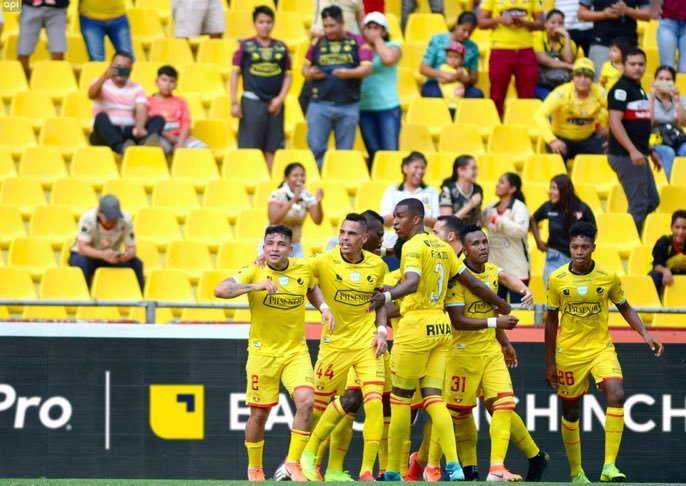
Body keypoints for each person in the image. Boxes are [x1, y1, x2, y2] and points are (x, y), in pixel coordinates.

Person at [367, 198, 511, 482]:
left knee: (400, 401)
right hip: (441, 327)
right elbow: (474, 283)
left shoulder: (413, 246)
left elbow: (412, 283)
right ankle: (453, 465)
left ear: (416, 219)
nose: (395, 222)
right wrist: (502, 305)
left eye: (400, 216)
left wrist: (386, 296)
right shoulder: (444, 247)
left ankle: (393, 470)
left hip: (416, 326)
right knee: (434, 398)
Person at [545, 221, 664, 483]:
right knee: (571, 413)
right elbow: (551, 321)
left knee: (617, 394)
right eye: (575, 247)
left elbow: (625, 307)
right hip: (569, 353)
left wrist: (645, 334)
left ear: (593, 248)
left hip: (601, 348)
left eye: (584, 247)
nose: (579, 252)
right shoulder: (557, 279)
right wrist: (549, 362)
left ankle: (609, 466)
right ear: (569, 247)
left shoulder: (608, 277)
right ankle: (576, 472)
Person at [213, 225, 333, 482]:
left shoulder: (302, 268)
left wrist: (323, 306)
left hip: (295, 352)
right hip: (262, 354)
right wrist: (254, 286)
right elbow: (220, 290)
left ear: (290, 248)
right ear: (263, 247)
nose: (274, 249)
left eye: (280, 244)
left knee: (307, 402)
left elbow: (311, 287)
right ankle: (254, 468)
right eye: (270, 244)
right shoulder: (254, 271)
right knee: (259, 415)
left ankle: (292, 464)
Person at [442, 224, 540, 482]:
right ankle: (436, 465)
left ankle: (497, 468)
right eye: (475, 243)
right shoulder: (456, 279)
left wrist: (525, 291)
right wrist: (496, 322)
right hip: (461, 354)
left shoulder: (492, 272)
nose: (482, 247)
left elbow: (508, 278)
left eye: (484, 242)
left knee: (505, 404)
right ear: (464, 249)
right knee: (458, 415)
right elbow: (458, 321)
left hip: (490, 352)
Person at [298, 213, 388, 482]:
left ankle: (366, 471)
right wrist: (262, 262)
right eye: (342, 232)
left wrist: (381, 331)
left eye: (351, 234)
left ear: (364, 238)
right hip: (334, 345)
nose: (345, 238)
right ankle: (305, 457)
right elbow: (294, 272)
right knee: (317, 409)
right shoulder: (323, 260)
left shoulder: (377, 265)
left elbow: (379, 300)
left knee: (374, 404)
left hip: (367, 343)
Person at [303, 6, 373, 168]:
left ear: (342, 23)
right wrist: (311, 73)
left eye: (332, 26)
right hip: (319, 104)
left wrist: (347, 73)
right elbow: (304, 69)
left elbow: (367, 68)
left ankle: (339, 181)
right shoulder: (317, 42)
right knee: (316, 151)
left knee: (344, 153)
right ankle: (316, 181)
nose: (328, 30)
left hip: (348, 105)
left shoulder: (357, 41)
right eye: (325, 26)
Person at [607, 46, 661, 234]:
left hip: (639, 153)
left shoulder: (639, 89)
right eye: (633, 64)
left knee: (652, 201)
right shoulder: (620, 89)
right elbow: (614, 122)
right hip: (625, 155)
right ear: (623, 65)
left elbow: (639, 125)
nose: (637, 68)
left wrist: (650, 150)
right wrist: (632, 150)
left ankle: (633, 234)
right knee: (638, 205)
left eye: (641, 64)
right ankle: (629, 241)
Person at [231, 6, 292, 170]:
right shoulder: (245, 46)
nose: (265, 26)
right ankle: (250, 175)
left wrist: (280, 99)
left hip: (275, 103)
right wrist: (234, 102)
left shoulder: (281, 47)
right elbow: (235, 73)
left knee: (272, 146)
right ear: (254, 24)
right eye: (261, 22)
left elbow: (288, 75)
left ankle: (269, 179)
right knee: (250, 146)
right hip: (252, 101)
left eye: (269, 22)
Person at [88, 52, 165, 155]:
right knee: (101, 117)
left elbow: (141, 109)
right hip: (105, 134)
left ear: (130, 70)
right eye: (118, 67)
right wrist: (104, 77)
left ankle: (144, 143)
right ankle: (121, 148)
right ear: (111, 66)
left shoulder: (137, 87)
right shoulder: (99, 82)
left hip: (128, 132)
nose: (121, 71)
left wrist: (140, 127)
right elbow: (91, 95)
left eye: (125, 68)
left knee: (158, 119)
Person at [478, 0, 544, 116]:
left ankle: (525, 123)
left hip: (526, 49)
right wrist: (499, 20)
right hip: (500, 48)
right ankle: (496, 123)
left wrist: (525, 23)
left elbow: (541, 24)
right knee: (497, 94)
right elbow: (480, 23)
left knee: (527, 95)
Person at [535, 57, 608, 161]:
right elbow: (540, 115)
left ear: (592, 79)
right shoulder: (561, 93)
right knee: (556, 156)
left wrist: (611, 134)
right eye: (578, 75)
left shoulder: (599, 92)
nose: (582, 80)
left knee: (611, 150)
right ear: (573, 77)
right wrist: (552, 140)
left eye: (587, 76)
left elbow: (616, 110)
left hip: (588, 138)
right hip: (562, 139)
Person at [68, 195, 144, 291]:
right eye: (109, 218)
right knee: (84, 264)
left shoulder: (126, 220)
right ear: (100, 213)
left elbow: (132, 248)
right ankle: (84, 294)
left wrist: (126, 256)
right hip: (86, 255)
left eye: (115, 218)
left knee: (136, 263)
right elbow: (83, 248)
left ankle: (140, 296)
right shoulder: (88, 218)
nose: (112, 222)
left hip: (111, 257)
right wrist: (103, 255)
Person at [531, 174, 596, 286]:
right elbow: (533, 220)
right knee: (553, 290)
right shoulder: (549, 206)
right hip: (554, 257)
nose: (550, 191)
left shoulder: (582, 208)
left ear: (564, 190)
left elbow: (593, 231)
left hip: (577, 259)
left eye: (554, 188)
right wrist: (538, 241)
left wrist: (583, 249)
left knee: (575, 293)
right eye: (550, 188)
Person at [358, 12, 402, 164]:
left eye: (376, 28)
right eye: (368, 27)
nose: (371, 31)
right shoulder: (360, 48)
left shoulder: (393, 46)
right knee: (374, 153)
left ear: (384, 31)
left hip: (387, 107)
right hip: (364, 107)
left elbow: (388, 59)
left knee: (390, 152)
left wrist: (376, 39)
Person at [481, 173, 531, 304]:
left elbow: (521, 230)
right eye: (498, 181)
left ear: (512, 188)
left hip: (517, 271)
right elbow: (478, 224)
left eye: (502, 182)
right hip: (495, 270)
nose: (497, 185)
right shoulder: (490, 207)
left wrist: (497, 220)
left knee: (519, 310)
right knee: (495, 309)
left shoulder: (519, 207)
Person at [577, 0, 650, 79]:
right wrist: (604, 14)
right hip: (601, 44)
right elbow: (581, 14)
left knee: (632, 82)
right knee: (601, 82)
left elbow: (648, 14)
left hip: (629, 45)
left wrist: (628, 11)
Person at [420, 11, 484, 99]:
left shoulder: (472, 47)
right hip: (435, 82)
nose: (466, 35)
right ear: (457, 26)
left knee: (476, 95)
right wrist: (444, 74)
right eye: (464, 30)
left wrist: (465, 78)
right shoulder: (438, 40)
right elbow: (423, 69)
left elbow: (474, 77)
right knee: (435, 96)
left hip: (460, 84)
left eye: (470, 32)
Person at [147, 65, 207, 155]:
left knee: (204, 149)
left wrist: (180, 143)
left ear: (175, 85)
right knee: (156, 149)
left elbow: (186, 124)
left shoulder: (181, 102)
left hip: (180, 137)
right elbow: (149, 125)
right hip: (161, 136)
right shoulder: (148, 102)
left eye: (171, 81)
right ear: (157, 82)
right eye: (164, 80)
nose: (167, 84)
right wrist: (167, 136)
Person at [268, 163, 324, 258]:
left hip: (295, 246)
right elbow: (273, 220)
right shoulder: (277, 194)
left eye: (302, 175)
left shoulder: (307, 196)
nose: (300, 178)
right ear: (286, 178)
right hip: (274, 246)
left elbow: (317, 220)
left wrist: (318, 201)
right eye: (295, 175)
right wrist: (294, 199)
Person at [380, 152, 440, 228]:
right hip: (395, 234)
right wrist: (403, 214)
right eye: (416, 167)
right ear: (405, 168)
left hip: (424, 234)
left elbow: (438, 222)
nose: (420, 171)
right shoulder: (392, 190)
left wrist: (418, 217)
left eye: (422, 168)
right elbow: (384, 220)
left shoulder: (432, 191)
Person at [534, 9, 581, 100]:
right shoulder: (537, 37)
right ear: (545, 24)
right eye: (553, 22)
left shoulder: (569, 42)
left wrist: (566, 36)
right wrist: (567, 66)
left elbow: (569, 60)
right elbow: (543, 59)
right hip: (541, 83)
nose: (556, 26)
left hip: (563, 84)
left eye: (560, 23)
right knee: (550, 100)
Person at [649, 65, 686, 181]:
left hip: (675, 139)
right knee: (668, 152)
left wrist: (677, 101)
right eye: (660, 79)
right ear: (655, 80)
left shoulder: (681, 99)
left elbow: (683, 123)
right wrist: (652, 99)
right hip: (656, 140)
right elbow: (647, 124)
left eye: (668, 79)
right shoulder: (646, 98)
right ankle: (668, 185)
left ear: (673, 82)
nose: (664, 82)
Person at [16, 0, 68, 77]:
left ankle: (56, 81)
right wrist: (11, 11)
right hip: (29, 8)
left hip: (58, 10)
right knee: (23, 53)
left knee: (58, 52)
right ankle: (21, 81)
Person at [649, 209, 686, 296]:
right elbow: (656, 266)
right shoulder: (664, 242)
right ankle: (658, 300)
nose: (680, 232)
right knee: (654, 276)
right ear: (671, 227)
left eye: (684, 228)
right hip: (665, 276)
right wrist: (665, 271)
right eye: (677, 227)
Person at [439, 154, 483, 225]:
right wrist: (470, 205)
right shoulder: (447, 190)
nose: (476, 172)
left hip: (471, 230)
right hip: (453, 230)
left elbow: (477, 219)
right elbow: (446, 223)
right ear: (461, 171)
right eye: (473, 168)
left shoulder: (478, 189)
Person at [657, 0, 686, 73]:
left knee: (684, 69)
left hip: (667, 20)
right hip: (668, 19)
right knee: (667, 68)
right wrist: (655, 5)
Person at [438, 42, 469, 111]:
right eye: (450, 57)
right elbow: (442, 80)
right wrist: (457, 76)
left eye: (456, 57)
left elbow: (467, 81)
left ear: (462, 60)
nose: (452, 60)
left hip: (460, 101)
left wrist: (461, 75)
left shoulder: (462, 70)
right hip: (447, 101)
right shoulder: (444, 67)